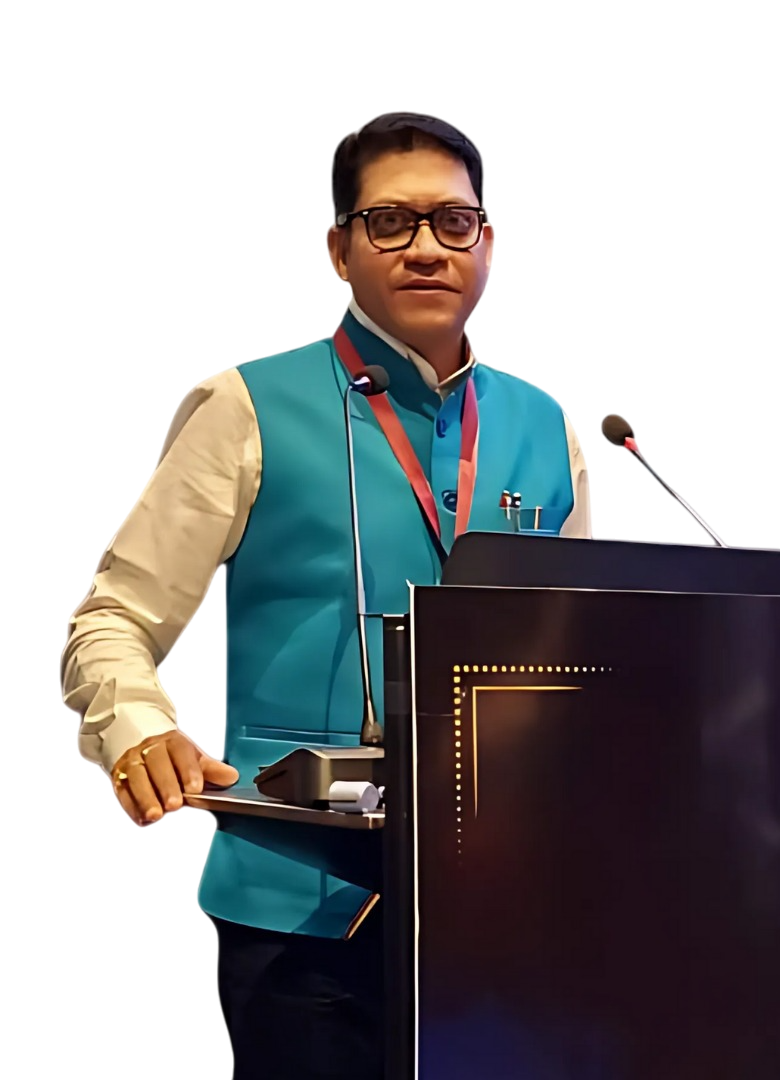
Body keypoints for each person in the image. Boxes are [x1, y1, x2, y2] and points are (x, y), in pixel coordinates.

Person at [60, 110, 593, 1080]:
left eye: (454, 222)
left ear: (488, 244)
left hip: (505, 904)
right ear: (340, 251)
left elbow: (587, 659)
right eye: (390, 222)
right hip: (303, 908)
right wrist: (135, 726)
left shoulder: (545, 424)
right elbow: (113, 620)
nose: (426, 247)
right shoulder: (243, 406)